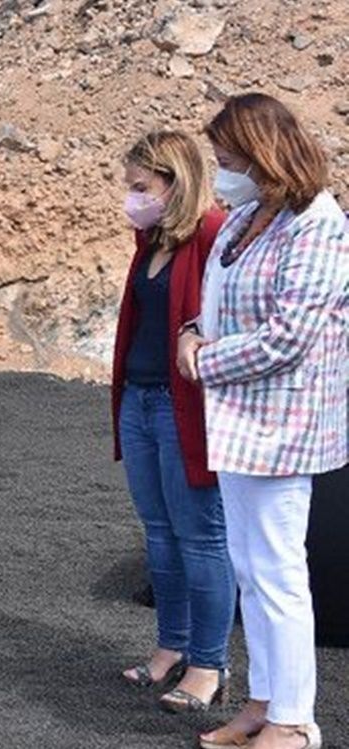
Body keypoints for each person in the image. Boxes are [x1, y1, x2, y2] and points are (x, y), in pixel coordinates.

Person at [180, 93, 348, 749]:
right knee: (249, 567)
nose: (220, 171)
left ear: (264, 154)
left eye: (228, 159)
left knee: (278, 571)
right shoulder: (243, 217)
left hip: (283, 425)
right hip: (237, 420)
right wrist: (194, 330)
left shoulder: (319, 224)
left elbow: (288, 337)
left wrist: (204, 360)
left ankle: (295, 719)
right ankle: (261, 701)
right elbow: (219, 302)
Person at [110, 131, 234, 710]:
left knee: (201, 535)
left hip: (184, 405)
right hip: (140, 400)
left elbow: (225, 315)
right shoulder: (151, 238)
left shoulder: (213, 234)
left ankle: (209, 664)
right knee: (159, 533)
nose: (132, 197)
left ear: (173, 181)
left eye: (141, 187)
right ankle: (171, 646)